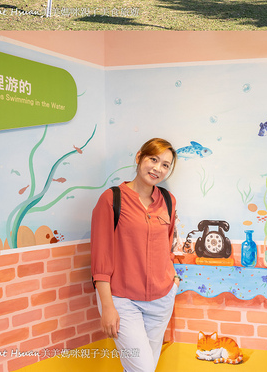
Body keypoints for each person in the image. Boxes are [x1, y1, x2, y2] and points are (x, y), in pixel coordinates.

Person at [91, 138, 180, 372]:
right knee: (142, 368)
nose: (157, 169)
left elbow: (167, 245)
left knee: (144, 368)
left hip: (161, 299)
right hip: (122, 300)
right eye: (153, 159)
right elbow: (100, 258)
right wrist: (107, 306)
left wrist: (173, 281)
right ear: (139, 156)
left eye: (165, 165)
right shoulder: (111, 199)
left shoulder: (168, 201)